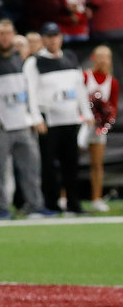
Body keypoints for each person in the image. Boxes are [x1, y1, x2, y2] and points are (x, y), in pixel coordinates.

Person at [0, 19, 56, 220]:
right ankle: (1, 207)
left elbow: (30, 90)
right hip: (0, 124)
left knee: (31, 167)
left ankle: (34, 205)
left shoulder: (23, 60)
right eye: (1, 33)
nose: (5, 37)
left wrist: (32, 116)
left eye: (8, 33)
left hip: (23, 122)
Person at [23, 22, 93, 215]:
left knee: (71, 164)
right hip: (49, 120)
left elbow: (79, 87)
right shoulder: (35, 62)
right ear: (43, 39)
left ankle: (73, 203)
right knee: (48, 164)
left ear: (60, 38)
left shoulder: (70, 57)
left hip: (70, 119)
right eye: (48, 36)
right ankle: (51, 203)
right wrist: (36, 117)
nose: (52, 40)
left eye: (55, 36)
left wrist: (86, 113)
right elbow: (30, 90)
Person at [83, 45, 118, 213]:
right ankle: (65, 197)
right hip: (82, 126)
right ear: (93, 58)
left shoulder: (113, 82)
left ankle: (96, 198)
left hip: (98, 130)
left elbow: (113, 108)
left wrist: (103, 125)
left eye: (107, 57)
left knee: (97, 164)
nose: (103, 60)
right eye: (100, 56)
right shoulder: (85, 76)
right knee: (70, 161)